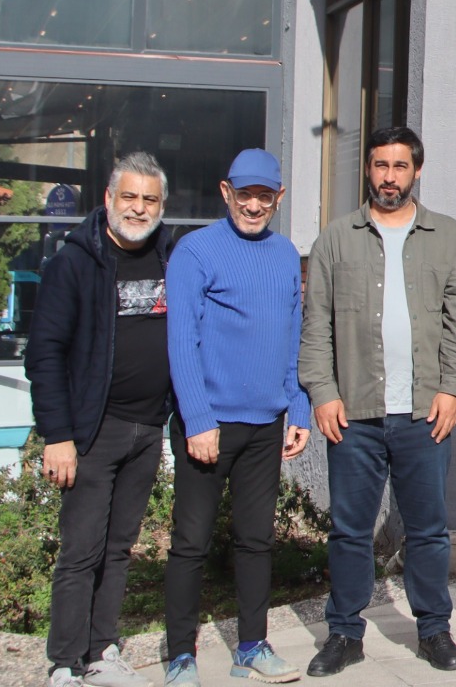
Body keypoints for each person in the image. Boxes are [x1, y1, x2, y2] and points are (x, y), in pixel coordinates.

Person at [300, 127, 456, 677]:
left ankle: (433, 629)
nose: (390, 177)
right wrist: (323, 393)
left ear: (416, 171)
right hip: (354, 414)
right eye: (381, 165)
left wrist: (451, 389)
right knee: (350, 531)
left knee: (428, 530)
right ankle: (344, 633)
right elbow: (316, 326)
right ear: (368, 170)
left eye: (400, 167)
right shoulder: (336, 239)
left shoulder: (446, 236)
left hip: (425, 413)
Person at [26, 153, 175, 687]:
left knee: (118, 548)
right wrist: (58, 435)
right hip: (93, 431)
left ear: (161, 206)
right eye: (129, 197)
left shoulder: (168, 258)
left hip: (147, 429)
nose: (138, 208)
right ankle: (65, 663)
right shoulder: (74, 263)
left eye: (149, 199)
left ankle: (100, 650)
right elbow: (44, 354)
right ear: (108, 199)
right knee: (81, 550)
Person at [164, 149, 311, 687]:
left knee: (256, 541)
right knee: (191, 544)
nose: (253, 205)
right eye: (244, 194)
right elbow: (181, 339)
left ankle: (252, 646)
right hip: (209, 425)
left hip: (266, 424)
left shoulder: (285, 253)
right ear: (226, 192)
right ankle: (180, 656)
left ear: (279, 198)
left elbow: (293, 338)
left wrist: (298, 406)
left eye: (264, 196)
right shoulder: (195, 251)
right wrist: (198, 418)